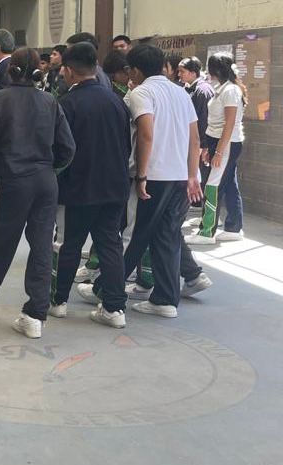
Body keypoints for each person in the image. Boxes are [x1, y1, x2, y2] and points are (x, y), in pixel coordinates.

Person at [0, 47, 76, 339]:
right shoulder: (50, 101)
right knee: (42, 246)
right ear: (39, 73)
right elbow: (68, 147)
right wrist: (49, 169)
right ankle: (35, 316)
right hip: (45, 182)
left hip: (13, 181)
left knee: (4, 245)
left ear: (11, 70)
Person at [102, 44, 203, 318]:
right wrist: (191, 175)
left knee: (136, 235)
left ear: (135, 70)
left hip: (154, 176)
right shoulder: (180, 92)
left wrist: (142, 175)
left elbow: (146, 134)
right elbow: (194, 138)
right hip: (179, 176)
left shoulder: (142, 92)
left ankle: (106, 290)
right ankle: (165, 300)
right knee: (166, 236)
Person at [50, 42, 130, 328]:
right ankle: (114, 308)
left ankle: (58, 301)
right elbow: (126, 145)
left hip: (79, 188)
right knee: (110, 244)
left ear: (70, 71)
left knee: (69, 244)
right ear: (95, 67)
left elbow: (61, 149)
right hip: (115, 187)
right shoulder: (117, 101)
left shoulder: (67, 104)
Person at [186, 53, 247, 245]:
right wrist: (209, 147)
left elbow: (229, 124)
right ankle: (234, 228)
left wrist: (219, 152)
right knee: (229, 185)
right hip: (219, 142)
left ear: (215, 70)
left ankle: (206, 232)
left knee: (212, 185)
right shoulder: (223, 88)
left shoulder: (230, 91)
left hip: (226, 143)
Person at [178, 56, 214, 230]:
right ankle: (200, 208)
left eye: (182, 71)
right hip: (193, 141)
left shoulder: (202, 91)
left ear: (193, 73)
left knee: (204, 178)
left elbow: (204, 120)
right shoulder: (188, 88)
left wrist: (203, 145)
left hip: (200, 142)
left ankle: (207, 216)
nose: (179, 74)